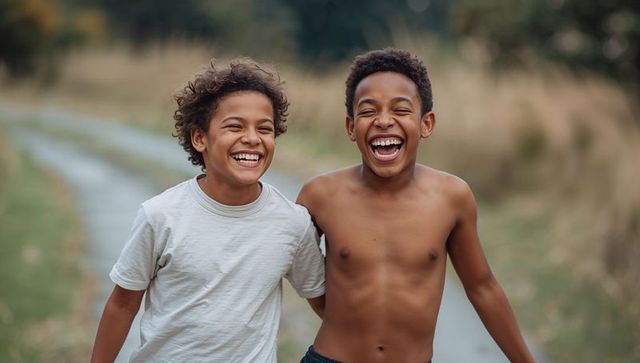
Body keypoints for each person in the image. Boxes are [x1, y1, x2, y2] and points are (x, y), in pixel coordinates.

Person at [297, 48, 535, 363]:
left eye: (401, 109)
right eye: (368, 111)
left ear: (426, 123)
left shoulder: (452, 197)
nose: (383, 121)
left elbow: (482, 287)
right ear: (351, 127)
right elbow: (299, 275)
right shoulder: (319, 196)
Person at [90, 59, 325, 363]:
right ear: (200, 138)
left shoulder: (292, 223)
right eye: (235, 126)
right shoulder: (161, 215)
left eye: (264, 129)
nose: (253, 138)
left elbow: (326, 306)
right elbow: (122, 305)